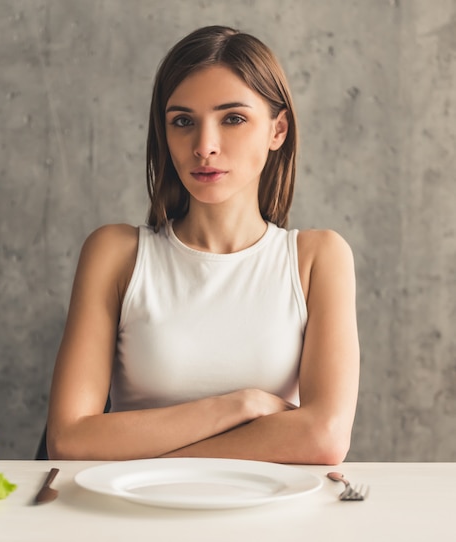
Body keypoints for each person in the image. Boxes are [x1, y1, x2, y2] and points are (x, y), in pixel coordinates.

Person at [45, 25, 359, 464]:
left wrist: (146, 456)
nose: (204, 146)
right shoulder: (116, 254)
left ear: (278, 130)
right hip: (132, 517)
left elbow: (324, 439)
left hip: (271, 522)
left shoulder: (318, 258)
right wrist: (241, 405)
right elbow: (70, 439)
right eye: (183, 122)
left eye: (233, 118)